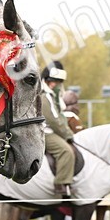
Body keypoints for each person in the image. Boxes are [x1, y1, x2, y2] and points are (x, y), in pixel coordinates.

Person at [40, 61, 75, 198]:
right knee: (66, 151)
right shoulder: (44, 96)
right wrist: (68, 134)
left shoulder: (51, 96)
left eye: (58, 82)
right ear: (47, 81)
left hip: (51, 131)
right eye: (53, 81)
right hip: (45, 133)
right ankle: (61, 184)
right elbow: (53, 120)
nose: (56, 85)